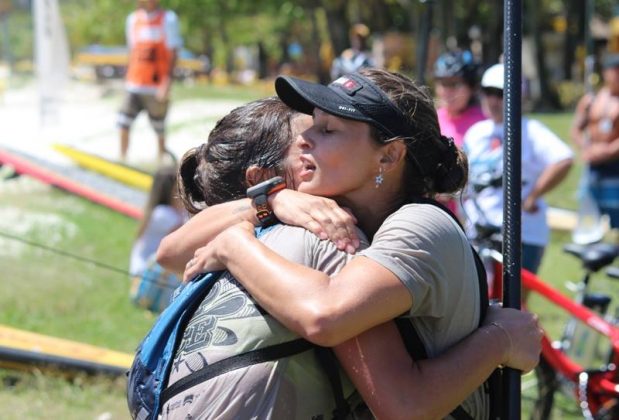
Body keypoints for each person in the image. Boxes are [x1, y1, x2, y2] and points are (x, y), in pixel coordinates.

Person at [161, 69, 542, 418]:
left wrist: (235, 246)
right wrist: (270, 201)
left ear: (388, 155)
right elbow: (173, 253)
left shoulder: (420, 224)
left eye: (327, 130)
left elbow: (326, 316)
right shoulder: (336, 217)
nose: (303, 139)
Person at [463, 63, 574, 276]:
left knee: (515, 303)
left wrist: (532, 196)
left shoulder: (530, 130)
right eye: (487, 92)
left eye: (500, 94)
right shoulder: (476, 132)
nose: (493, 100)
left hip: (522, 233)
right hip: (479, 232)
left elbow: (564, 159)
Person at [117, 0, 182, 162]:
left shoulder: (168, 19)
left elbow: (173, 53)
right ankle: (122, 159)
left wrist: (167, 83)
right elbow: (132, 51)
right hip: (134, 84)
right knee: (123, 122)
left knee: (159, 127)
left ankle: (160, 160)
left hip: (156, 85)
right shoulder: (133, 19)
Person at [571, 52, 619, 230]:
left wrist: (607, 151)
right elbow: (576, 129)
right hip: (593, 168)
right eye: (613, 71)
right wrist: (587, 147)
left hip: (615, 166)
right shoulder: (591, 100)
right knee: (590, 216)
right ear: (606, 73)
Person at [129, 165, 186, 312]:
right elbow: (186, 236)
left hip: (153, 271)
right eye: (180, 190)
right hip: (145, 275)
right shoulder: (163, 214)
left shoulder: (170, 213)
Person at [433, 50, 485, 148]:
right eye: (443, 84)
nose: (447, 91)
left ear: (472, 87)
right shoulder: (432, 120)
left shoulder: (484, 123)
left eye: (454, 84)